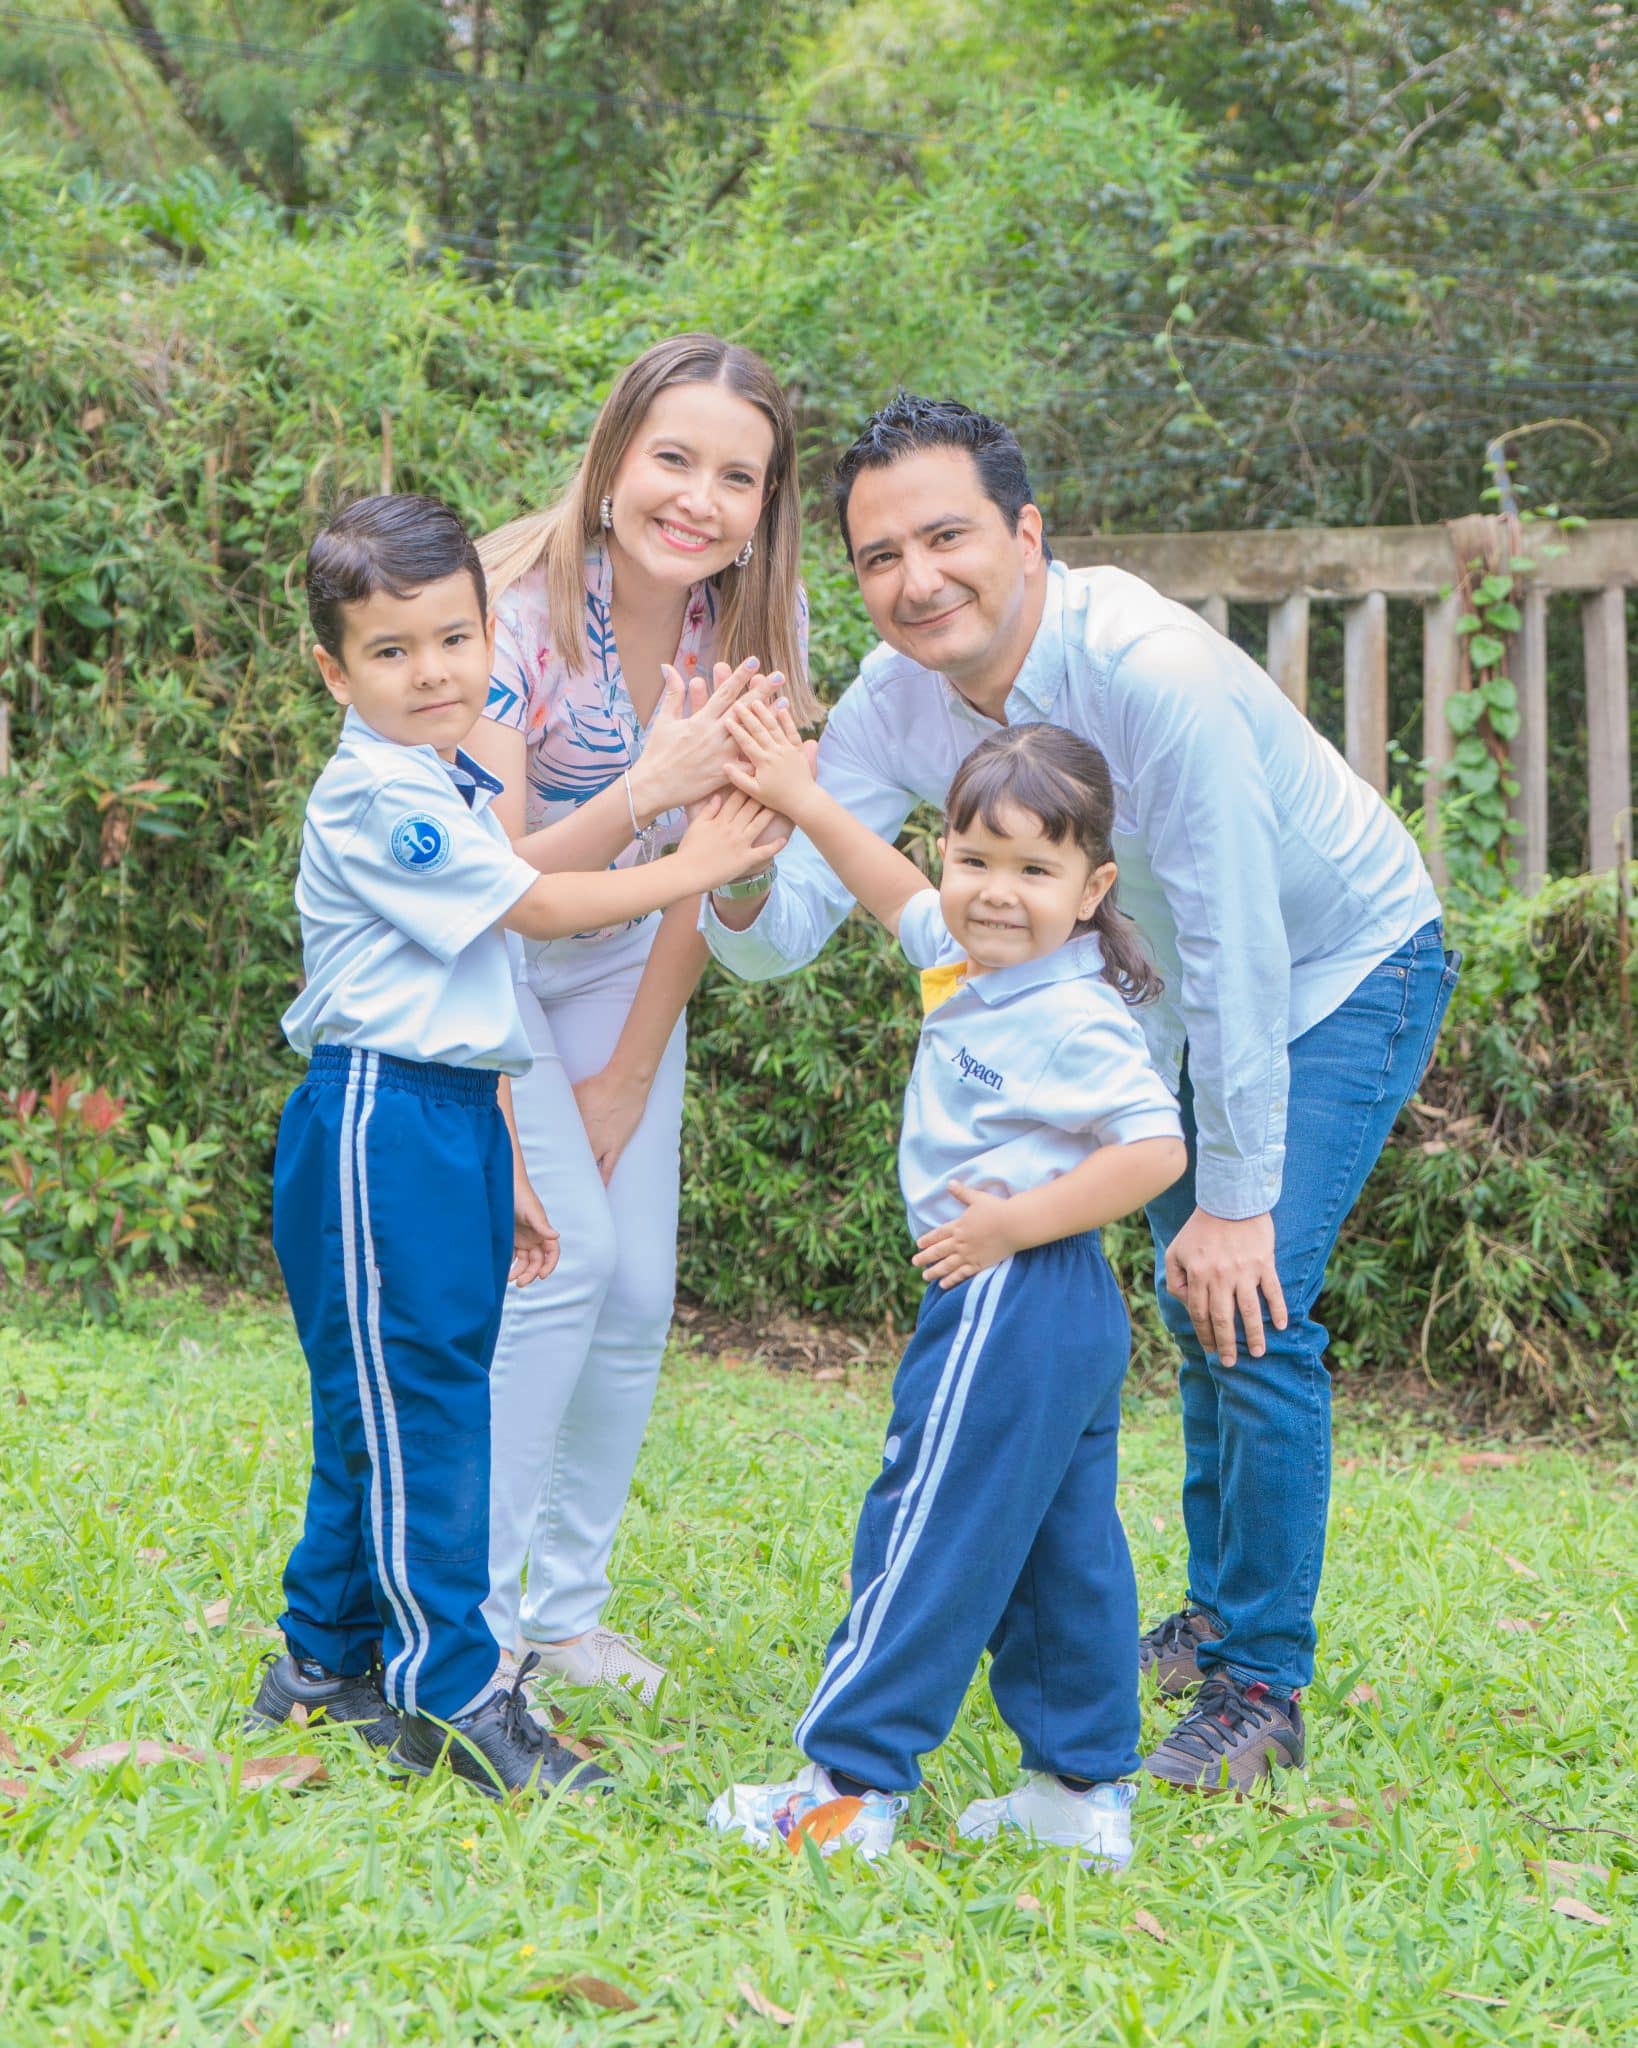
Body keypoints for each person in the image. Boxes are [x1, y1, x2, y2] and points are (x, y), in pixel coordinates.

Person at [704, 396, 1460, 1792]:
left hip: (1336, 964)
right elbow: (789, 917)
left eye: (946, 537)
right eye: (879, 556)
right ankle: (1212, 1612)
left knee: (1252, 1300)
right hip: (1157, 1003)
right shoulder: (894, 698)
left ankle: (1258, 1681)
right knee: (1192, 1299)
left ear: (1027, 533)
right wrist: (738, 858)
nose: (916, 580)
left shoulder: (1150, 674)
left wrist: (1236, 1201)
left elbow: (1236, 940)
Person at [245, 493, 783, 1799]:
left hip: (449, 1111)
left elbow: (472, 988)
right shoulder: (384, 795)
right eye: (391, 650)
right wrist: (695, 857)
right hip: (378, 1119)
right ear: (334, 670)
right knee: (424, 1409)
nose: (431, 671)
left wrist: (518, 1164)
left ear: (493, 641)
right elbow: (534, 908)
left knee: (386, 1402)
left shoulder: (440, 775)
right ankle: (452, 1690)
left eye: (453, 640)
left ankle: (322, 1661)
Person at [708, 706, 1186, 1862]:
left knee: (924, 1525)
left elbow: (1155, 1148)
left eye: (1034, 869)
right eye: (975, 859)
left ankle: (845, 1787)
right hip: (1058, 1313)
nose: (995, 892)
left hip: (1013, 1297)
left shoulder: (1071, 1012)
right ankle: (1079, 1794)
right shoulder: (977, 959)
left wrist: (1011, 1224)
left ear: (1093, 887)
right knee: (1059, 1550)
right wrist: (803, 797)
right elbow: (890, 890)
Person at [465, 334, 817, 1707]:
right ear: (614, 458)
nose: (699, 499)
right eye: (674, 457)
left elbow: (712, 875)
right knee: (558, 1267)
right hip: (484, 959)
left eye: (737, 476)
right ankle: (475, 1622)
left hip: (622, 957)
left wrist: (625, 1071)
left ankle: (565, 1613)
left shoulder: (755, 629)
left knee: (635, 1290)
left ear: (767, 504)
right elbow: (493, 884)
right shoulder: (509, 609)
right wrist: (645, 787)